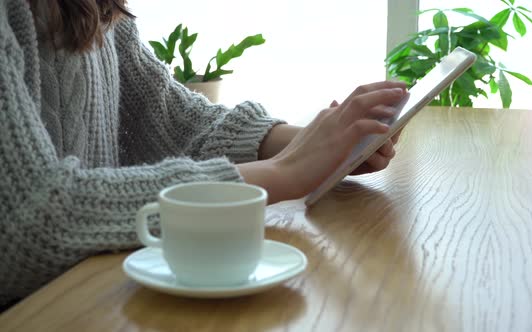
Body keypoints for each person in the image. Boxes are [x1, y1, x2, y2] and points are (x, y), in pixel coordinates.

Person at [0, 0, 407, 308]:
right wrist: (283, 172)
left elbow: (172, 119)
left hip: (92, 297)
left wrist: (317, 141)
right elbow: (24, 219)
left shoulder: (98, 7)